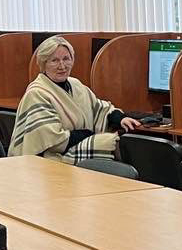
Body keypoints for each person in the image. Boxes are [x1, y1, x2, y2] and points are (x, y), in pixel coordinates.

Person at [9, 36, 140, 163]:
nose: (62, 66)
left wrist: (121, 118)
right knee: (110, 143)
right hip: (48, 160)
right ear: (43, 64)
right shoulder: (37, 93)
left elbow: (99, 108)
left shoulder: (75, 84)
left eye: (66, 59)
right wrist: (88, 135)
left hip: (75, 148)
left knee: (125, 143)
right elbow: (53, 140)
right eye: (54, 60)